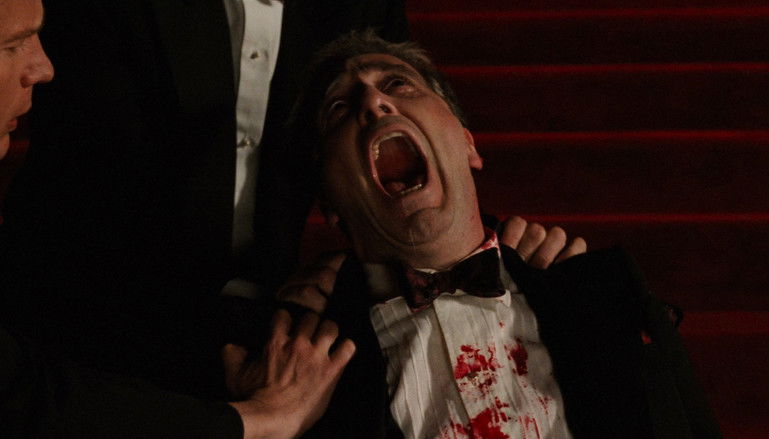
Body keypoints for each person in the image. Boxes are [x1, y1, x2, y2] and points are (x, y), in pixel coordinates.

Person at [271, 31, 722, 438]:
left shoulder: (601, 297)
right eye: (339, 108)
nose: (373, 102)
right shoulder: (293, 363)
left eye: (397, 84)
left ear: (468, 144)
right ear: (329, 206)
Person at [0, 0, 409, 398]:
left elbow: (400, 137)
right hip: (86, 313)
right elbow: (82, 179)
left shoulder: (364, 8)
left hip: (273, 313)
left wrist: (351, 266)